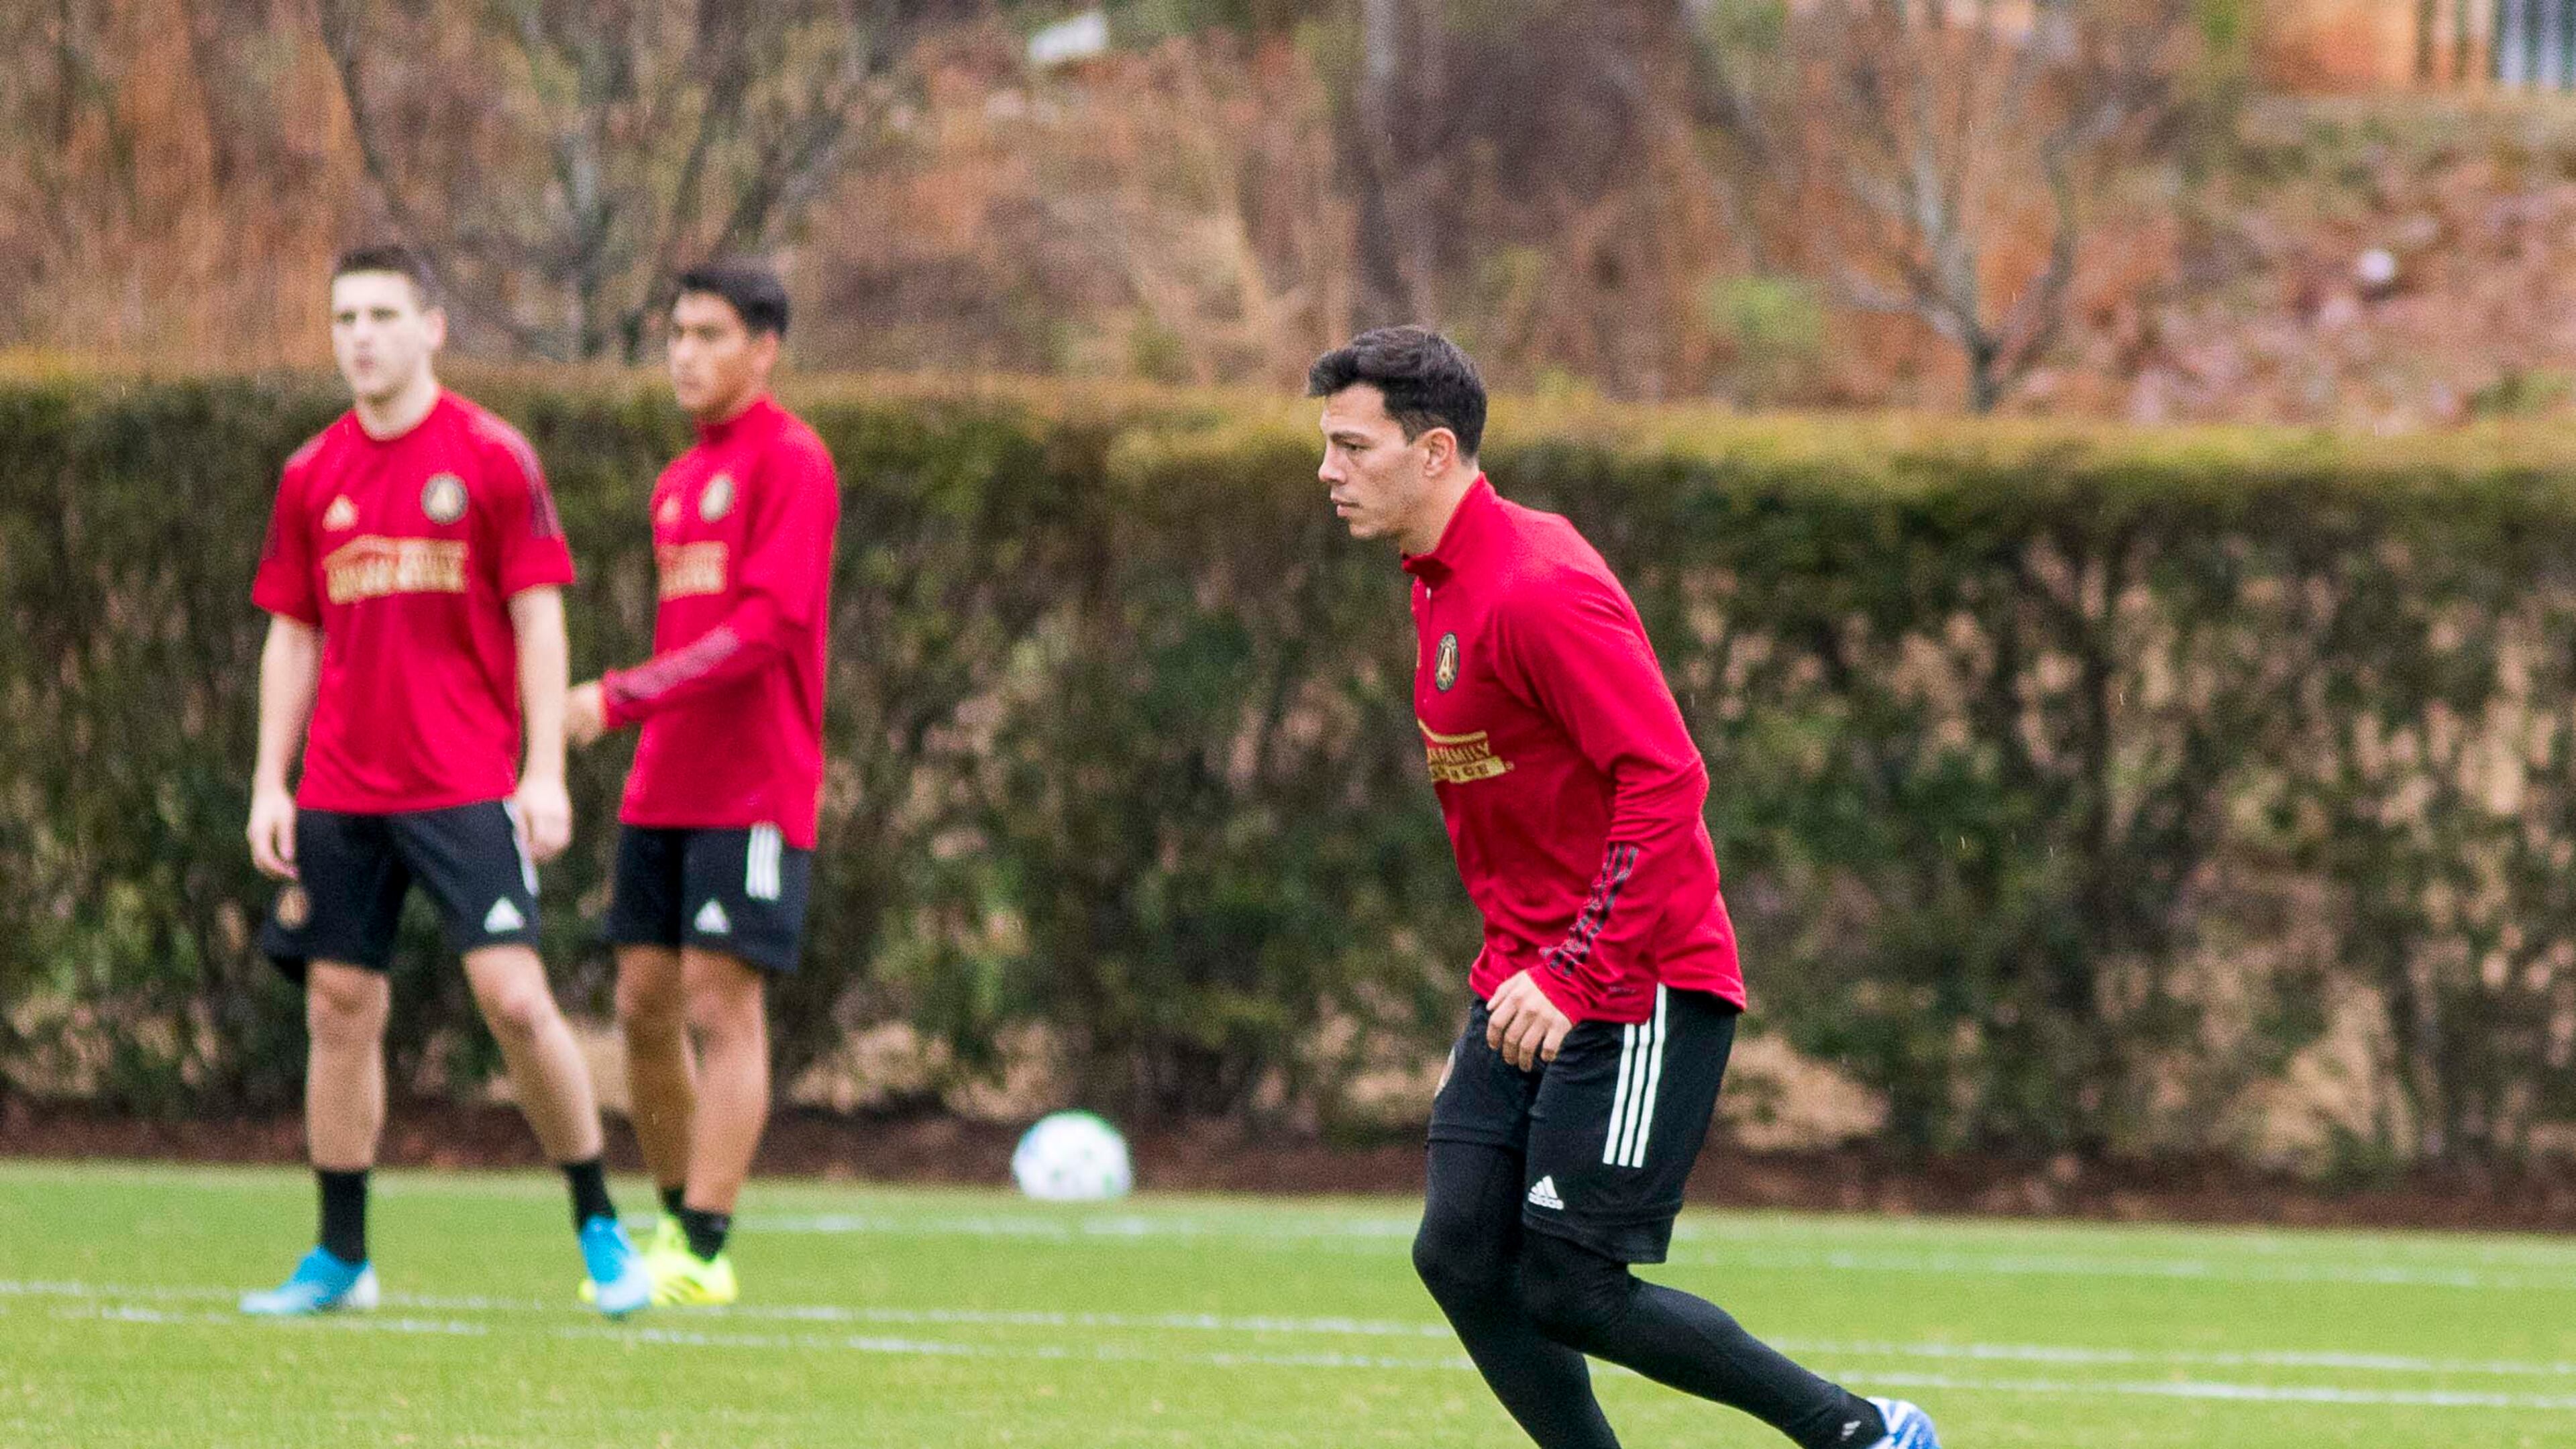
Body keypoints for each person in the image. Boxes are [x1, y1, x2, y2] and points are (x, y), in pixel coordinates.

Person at [1311, 326, 1939, 1449]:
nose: (1329, 472)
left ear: (1436, 452)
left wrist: (1572, 970)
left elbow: (1667, 779)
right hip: (1526, 977)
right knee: (1456, 1251)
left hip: (1633, 981)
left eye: (1352, 448)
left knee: (1572, 1287)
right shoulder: (1438, 582)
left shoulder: (1537, 586)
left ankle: (1859, 1433)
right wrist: (1530, 967)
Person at [241, 244, 650, 1318]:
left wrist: (544, 771)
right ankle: (340, 1256)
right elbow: (292, 637)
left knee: (515, 998)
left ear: (433, 328)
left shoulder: (491, 456)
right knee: (338, 1005)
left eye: (381, 313)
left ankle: (601, 1227)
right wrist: (268, 784)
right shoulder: (309, 474)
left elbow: (539, 615)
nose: (360, 335)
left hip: (465, 786)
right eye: (343, 317)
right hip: (339, 790)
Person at [566, 260, 839, 1306]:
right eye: (675, 333)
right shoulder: (678, 482)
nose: (684, 353)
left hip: (753, 787)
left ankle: (707, 1249)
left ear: (762, 349)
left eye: (708, 334)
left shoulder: (794, 461)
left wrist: (622, 695)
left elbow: (770, 629)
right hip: (661, 784)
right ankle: (677, 1226)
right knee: (640, 1005)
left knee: (723, 1005)